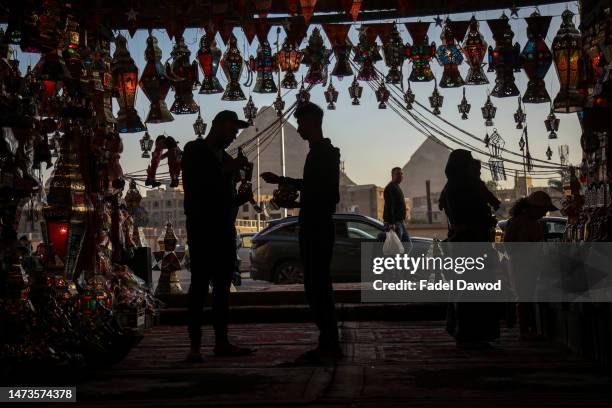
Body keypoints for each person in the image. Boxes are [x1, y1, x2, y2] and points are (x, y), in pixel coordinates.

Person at [261, 102, 342, 362]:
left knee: (316, 287)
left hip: (317, 226)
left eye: (301, 123)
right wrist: (283, 181)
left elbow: (327, 196)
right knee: (316, 285)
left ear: (312, 122)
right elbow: (313, 186)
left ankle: (328, 343)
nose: (297, 129)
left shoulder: (324, 153)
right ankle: (328, 341)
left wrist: (294, 202)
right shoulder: (319, 153)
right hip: (314, 224)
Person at [181, 110, 254, 362]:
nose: (234, 136)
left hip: (224, 231)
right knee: (200, 286)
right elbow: (198, 186)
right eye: (233, 130)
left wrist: (240, 198)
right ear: (219, 125)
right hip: (202, 231)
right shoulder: (194, 150)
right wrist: (226, 170)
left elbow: (224, 198)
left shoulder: (224, 157)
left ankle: (221, 342)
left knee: (222, 288)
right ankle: (195, 346)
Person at [440, 149, 500, 349]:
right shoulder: (461, 187)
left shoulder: (457, 186)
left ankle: (470, 335)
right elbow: (469, 216)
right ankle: (470, 336)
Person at [503, 191, 557, 340]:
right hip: (520, 265)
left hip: (532, 264)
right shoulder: (517, 222)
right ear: (534, 208)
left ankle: (531, 329)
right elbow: (506, 245)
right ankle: (524, 330)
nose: (545, 212)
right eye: (543, 209)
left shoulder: (535, 223)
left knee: (530, 297)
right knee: (524, 297)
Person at [383, 167, 410, 241]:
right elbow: (390, 206)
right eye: (398, 174)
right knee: (395, 248)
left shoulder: (396, 187)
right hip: (394, 223)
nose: (400, 176)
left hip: (400, 222)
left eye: (401, 174)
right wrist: (391, 223)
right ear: (392, 175)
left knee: (407, 245)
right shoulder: (390, 188)